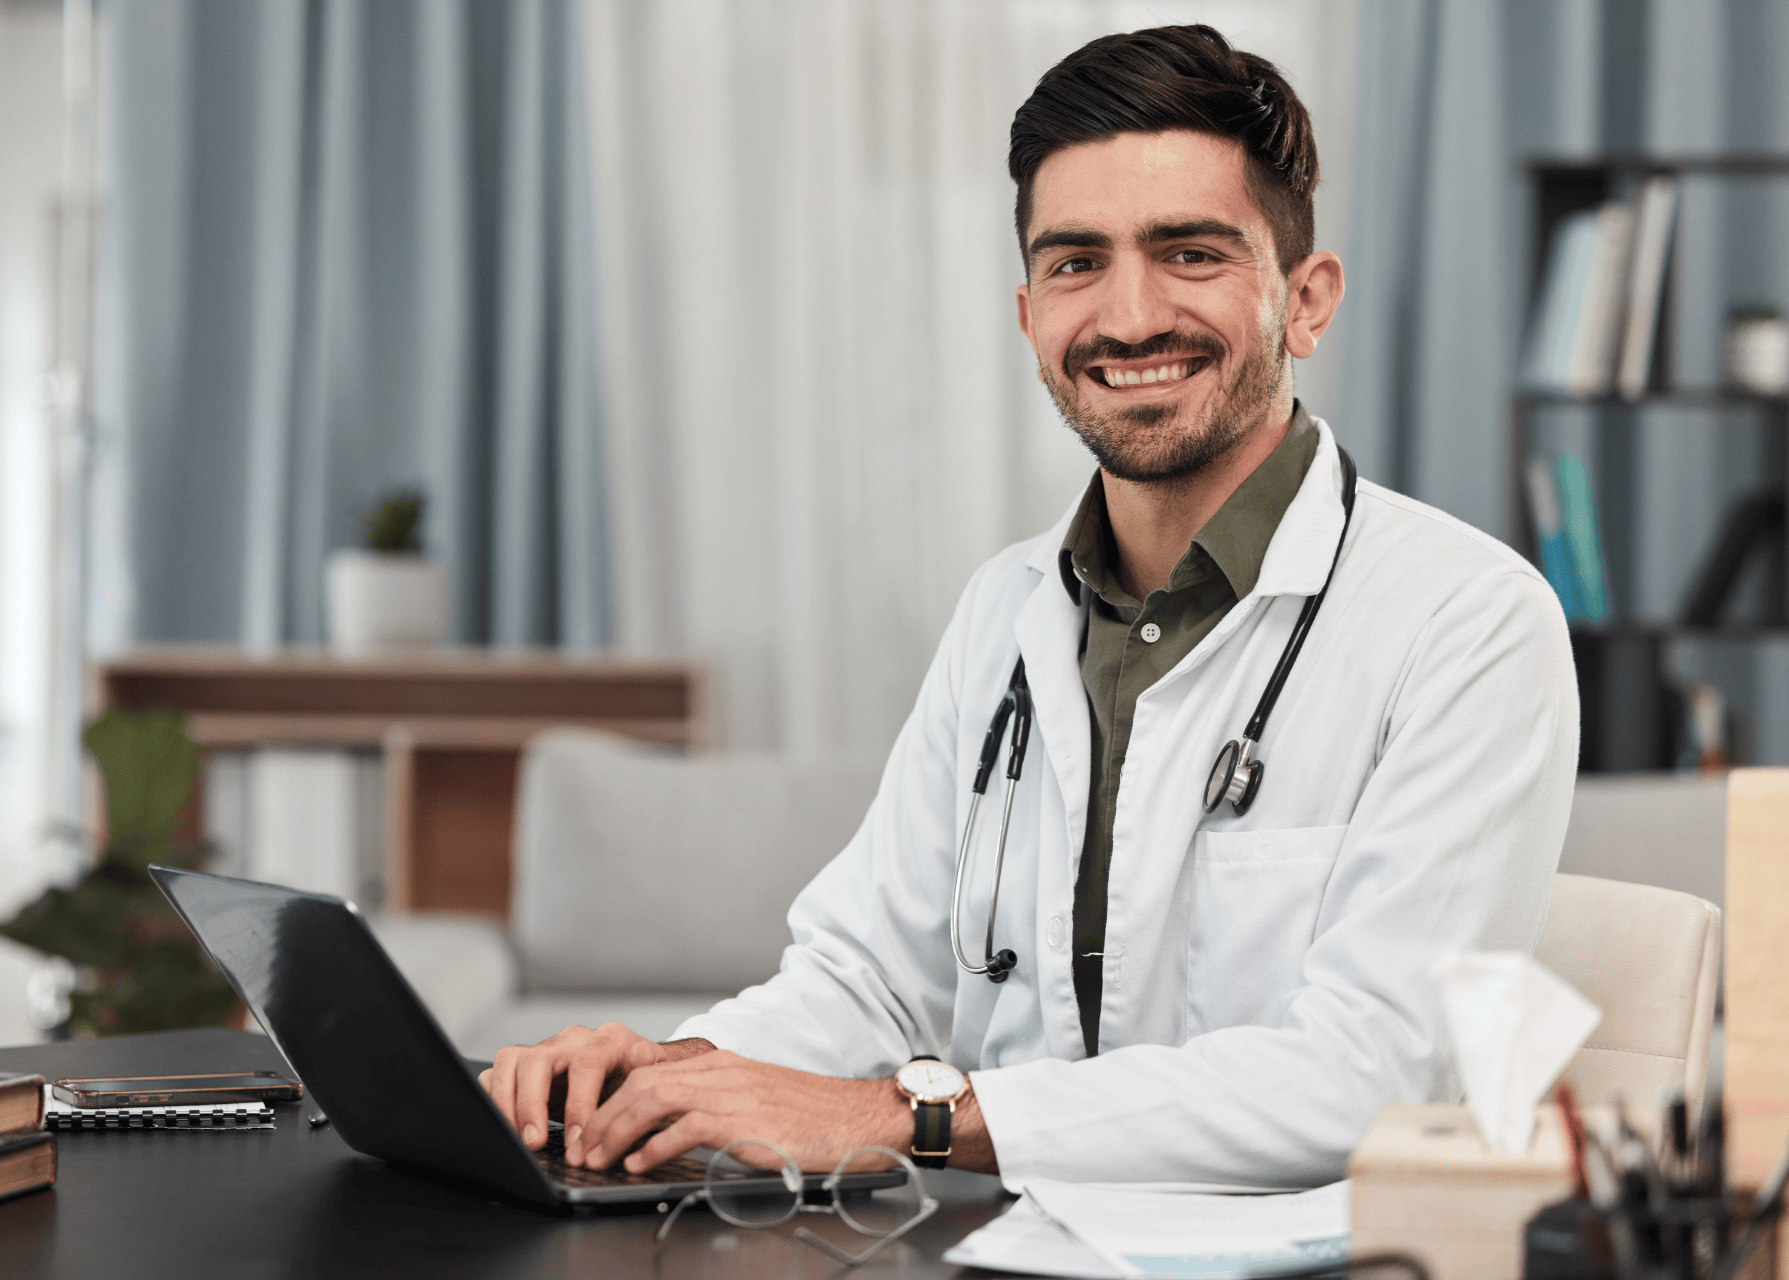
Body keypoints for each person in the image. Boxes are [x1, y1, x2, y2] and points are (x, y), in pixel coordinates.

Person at [481, 24, 1577, 1189]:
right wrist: (662, 1077)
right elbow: (868, 974)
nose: (1128, 315)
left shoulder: (1468, 620)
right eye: (1075, 262)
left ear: (1304, 301)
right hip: (997, 1245)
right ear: (1028, 318)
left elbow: (1372, 1073)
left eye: (1190, 251)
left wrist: (917, 1118)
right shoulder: (1003, 606)